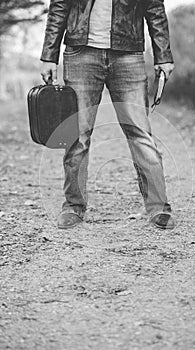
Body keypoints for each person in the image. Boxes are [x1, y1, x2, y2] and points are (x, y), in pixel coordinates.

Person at [40, 0, 175, 230]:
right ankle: (73, 205)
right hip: (80, 53)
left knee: (140, 132)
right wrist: (49, 55)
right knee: (78, 134)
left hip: (128, 53)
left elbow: (154, 7)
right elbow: (59, 5)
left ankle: (159, 207)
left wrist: (163, 55)